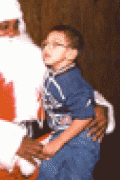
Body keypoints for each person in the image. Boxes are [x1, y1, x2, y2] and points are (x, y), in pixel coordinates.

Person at [0, 0, 115, 179]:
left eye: (16, 25)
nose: (12, 33)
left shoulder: (36, 55)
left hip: (44, 145)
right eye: (3, 26)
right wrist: (13, 143)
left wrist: (95, 105)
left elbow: (71, 86)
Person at [36, 25, 105, 180]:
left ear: (71, 53)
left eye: (55, 44)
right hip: (61, 133)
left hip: (82, 139)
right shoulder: (53, 73)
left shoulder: (72, 81)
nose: (47, 48)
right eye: (45, 43)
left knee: (75, 175)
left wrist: (58, 142)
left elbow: (85, 116)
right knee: (47, 172)